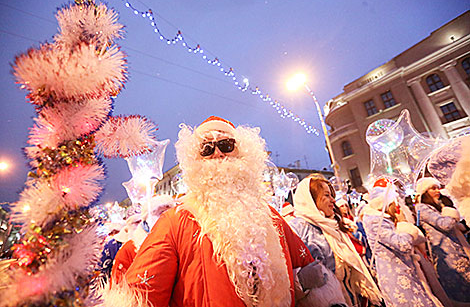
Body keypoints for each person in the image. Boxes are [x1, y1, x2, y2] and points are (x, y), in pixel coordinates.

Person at [104, 116, 345, 307]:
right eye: (207, 149)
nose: (218, 153)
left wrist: (303, 284)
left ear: (243, 153)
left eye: (226, 145)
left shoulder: (270, 217)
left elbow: (308, 273)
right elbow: (141, 294)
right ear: (195, 159)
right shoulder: (176, 221)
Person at [289, 175, 381, 307]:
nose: (333, 200)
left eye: (332, 195)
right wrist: (301, 280)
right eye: (327, 195)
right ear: (311, 199)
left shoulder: (333, 224)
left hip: (351, 299)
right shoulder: (297, 228)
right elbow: (285, 277)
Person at [361, 179, 444, 307]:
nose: (398, 204)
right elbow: (403, 245)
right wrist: (404, 224)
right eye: (395, 200)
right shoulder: (375, 220)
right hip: (396, 277)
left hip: (406, 271)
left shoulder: (384, 219)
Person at [415, 177, 470, 305]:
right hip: (446, 253)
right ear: (424, 192)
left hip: (457, 249)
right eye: (433, 188)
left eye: (437, 188)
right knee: (460, 287)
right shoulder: (421, 208)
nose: (437, 191)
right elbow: (444, 224)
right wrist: (450, 210)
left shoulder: (437, 205)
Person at [111, 195, 176, 283]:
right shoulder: (130, 248)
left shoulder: (180, 242)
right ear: (147, 218)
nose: (167, 217)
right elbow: (117, 286)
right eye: (161, 213)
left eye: (170, 212)